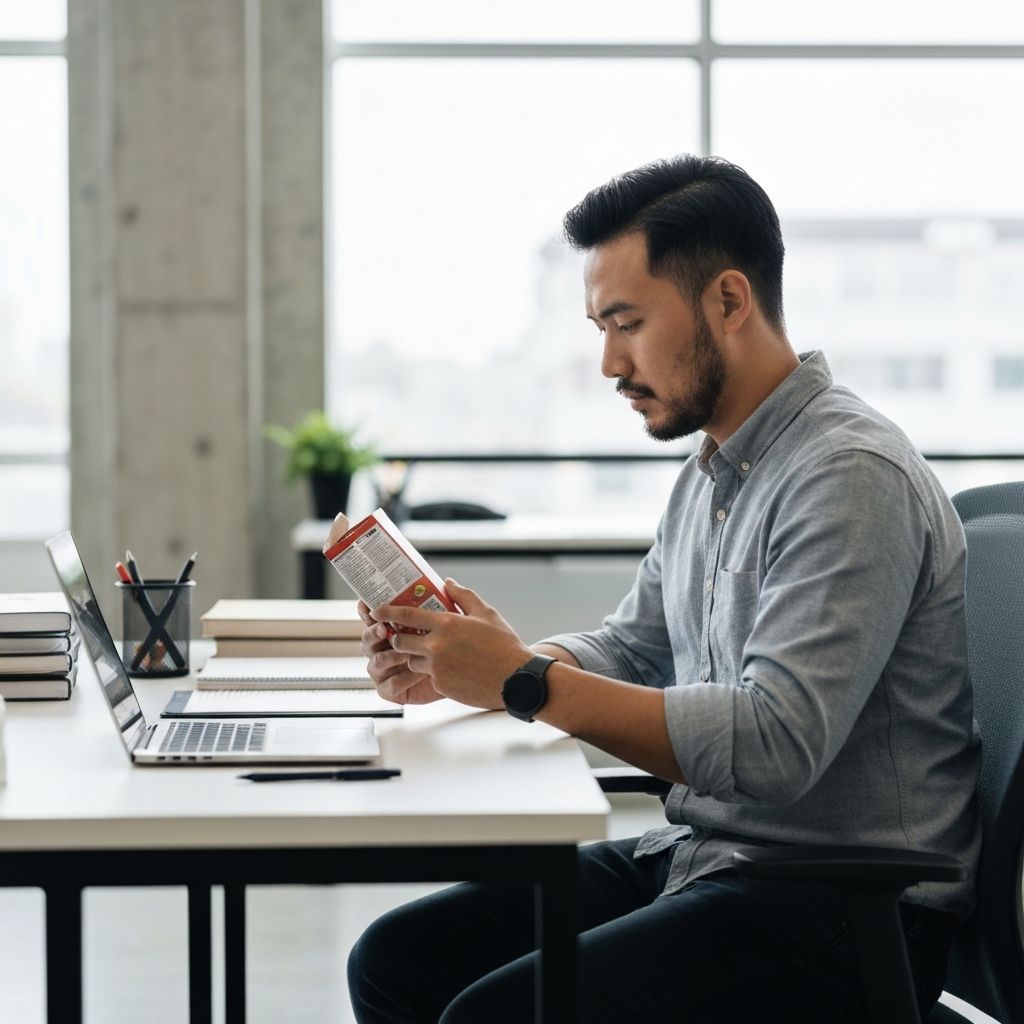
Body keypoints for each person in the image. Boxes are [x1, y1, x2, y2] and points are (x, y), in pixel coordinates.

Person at [342, 155, 981, 1023]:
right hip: (712, 857)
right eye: (600, 327)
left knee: (494, 1015)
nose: (609, 361)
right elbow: (636, 644)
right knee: (400, 959)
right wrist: (495, 661)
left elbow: (772, 747)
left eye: (627, 323)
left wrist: (523, 685)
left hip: (837, 910)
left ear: (728, 300)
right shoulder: (717, 469)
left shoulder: (848, 476)